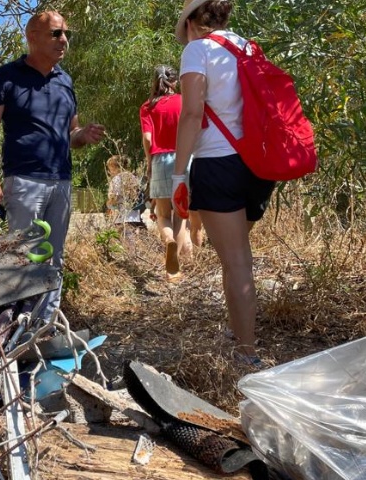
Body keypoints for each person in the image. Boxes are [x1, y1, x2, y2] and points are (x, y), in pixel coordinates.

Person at [0, 10, 105, 321]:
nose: (63, 40)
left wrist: (83, 135)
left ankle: (42, 328)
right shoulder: (7, 76)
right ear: (32, 37)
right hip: (23, 181)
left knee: (52, 260)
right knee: (21, 258)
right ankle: (11, 330)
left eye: (66, 34)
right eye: (55, 33)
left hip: (61, 182)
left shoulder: (66, 81)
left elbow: (71, 135)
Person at [173, 0, 276, 367]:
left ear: (190, 24)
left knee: (236, 262)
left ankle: (246, 354)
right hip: (260, 165)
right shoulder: (249, 48)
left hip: (218, 163)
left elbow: (191, 112)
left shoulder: (197, 50)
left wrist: (178, 173)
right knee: (239, 257)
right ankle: (239, 331)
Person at [139, 64, 202, 281]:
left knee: (163, 215)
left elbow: (148, 139)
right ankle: (177, 265)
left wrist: (149, 164)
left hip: (160, 162)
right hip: (185, 160)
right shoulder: (185, 101)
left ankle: (169, 245)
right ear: (174, 82)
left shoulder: (147, 107)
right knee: (181, 215)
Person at [105, 155, 145, 230]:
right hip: (134, 215)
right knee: (132, 238)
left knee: (125, 239)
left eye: (111, 169)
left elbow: (114, 197)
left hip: (121, 216)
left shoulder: (117, 179)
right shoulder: (133, 177)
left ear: (116, 167)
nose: (110, 172)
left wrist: (109, 204)